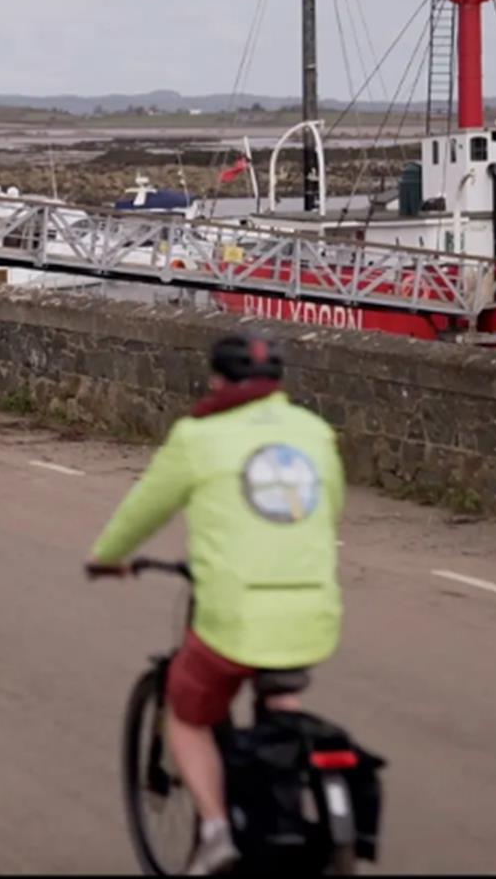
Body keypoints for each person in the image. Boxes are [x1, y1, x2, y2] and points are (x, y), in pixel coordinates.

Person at [86, 333, 345, 876]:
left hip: (235, 614)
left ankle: (217, 834)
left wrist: (108, 556)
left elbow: (145, 508)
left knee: (186, 711)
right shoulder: (314, 433)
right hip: (311, 610)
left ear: (218, 381)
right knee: (280, 696)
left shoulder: (199, 435)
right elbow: (330, 508)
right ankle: (297, 797)